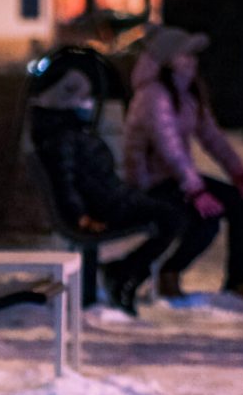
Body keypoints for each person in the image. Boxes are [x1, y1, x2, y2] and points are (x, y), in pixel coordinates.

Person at [122, 26, 243, 305]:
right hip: (152, 183)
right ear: (168, 59)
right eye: (185, 54)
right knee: (208, 218)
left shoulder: (187, 92)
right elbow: (170, 148)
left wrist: (238, 173)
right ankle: (170, 272)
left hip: (177, 179)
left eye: (193, 54)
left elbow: (212, 137)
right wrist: (196, 190)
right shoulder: (153, 95)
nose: (192, 60)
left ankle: (237, 281)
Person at [30, 66, 187, 316]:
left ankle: (125, 272)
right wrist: (79, 215)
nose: (88, 104)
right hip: (106, 206)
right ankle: (124, 272)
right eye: (82, 99)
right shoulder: (64, 137)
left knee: (174, 211)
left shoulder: (65, 132)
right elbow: (65, 180)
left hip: (111, 199)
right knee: (172, 217)